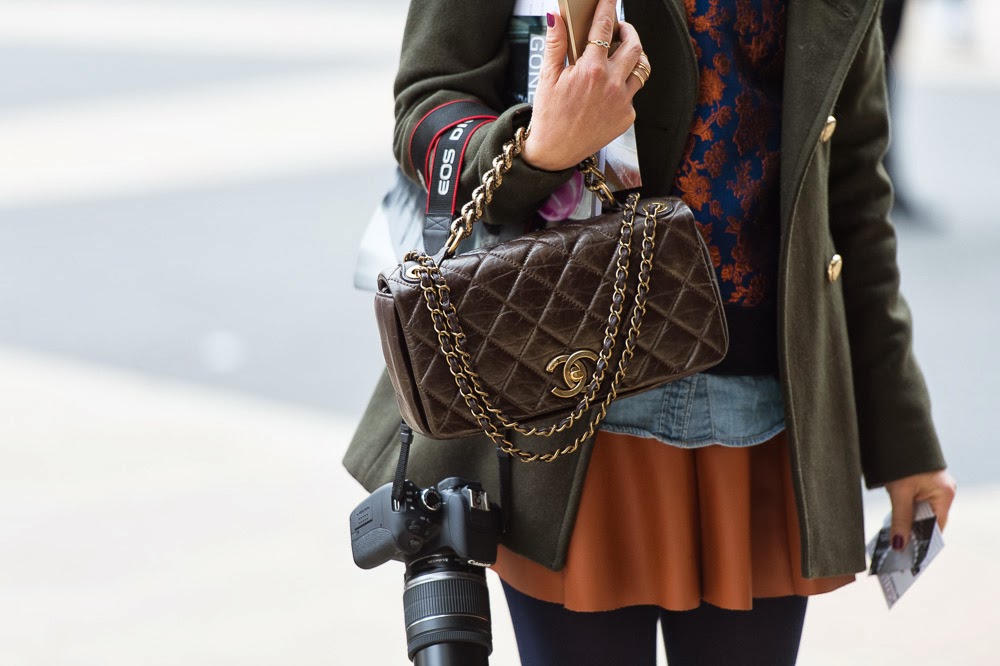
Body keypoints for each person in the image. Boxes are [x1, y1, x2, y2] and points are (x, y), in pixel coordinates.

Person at [344, 1, 957, 664]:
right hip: (570, 405)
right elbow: (427, 102)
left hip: (766, 420)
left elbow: (851, 191)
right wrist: (536, 151)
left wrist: (904, 438)